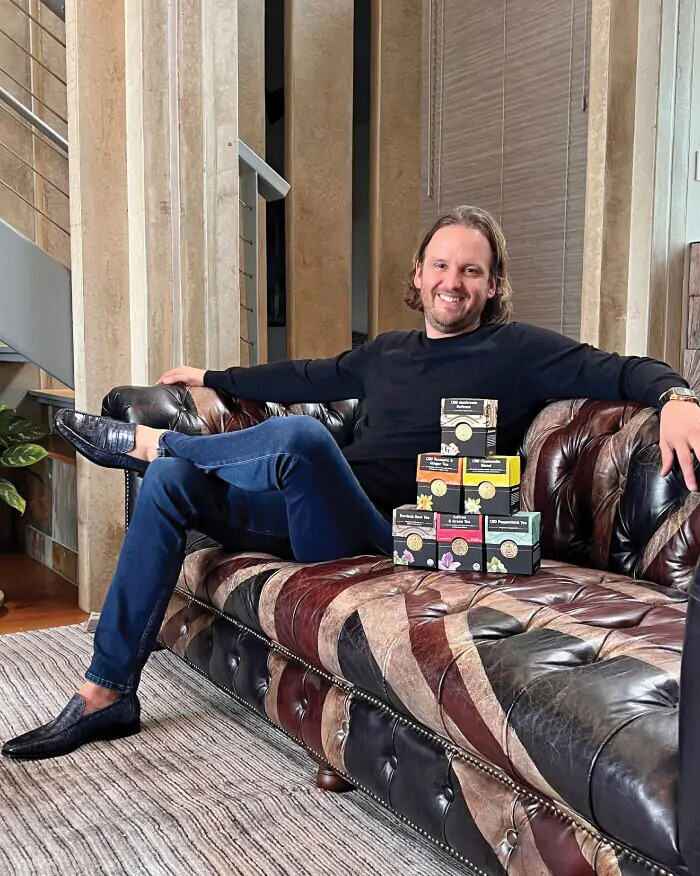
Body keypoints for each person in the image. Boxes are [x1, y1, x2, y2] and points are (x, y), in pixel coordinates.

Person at [4, 204, 700, 761]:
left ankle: (156, 444)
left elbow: (619, 368)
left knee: (299, 439)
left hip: (382, 537)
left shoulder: (518, 352)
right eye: (441, 265)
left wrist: (676, 398)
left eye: (471, 270)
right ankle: (107, 691)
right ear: (419, 274)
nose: (453, 281)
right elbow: (305, 376)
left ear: (492, 284)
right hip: (310, 517)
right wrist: (211, 378)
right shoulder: (387, 352)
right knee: (172, 485)